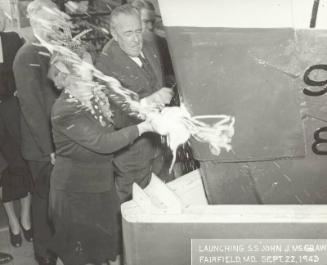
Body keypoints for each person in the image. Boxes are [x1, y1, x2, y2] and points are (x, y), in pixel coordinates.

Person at [47, 51, 157, 265]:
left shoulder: (91, 97)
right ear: (67, 77)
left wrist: (147, 106)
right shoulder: (64, 110)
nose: (92, 75)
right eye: (85, 71)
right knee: (76, 256)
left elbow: (120, 119)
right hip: (74, 194)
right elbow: (102, 143)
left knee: (110, 249)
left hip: (101, 187)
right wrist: (144, 127)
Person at [96, 4, 173, 202]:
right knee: (133, 208)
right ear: (114, 33)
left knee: (166, 200)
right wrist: (149, 101)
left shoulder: (149, 42)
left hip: (161, 147)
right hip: (132, 154)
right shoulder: (105, 65)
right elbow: (115, 115)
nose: (136, 39)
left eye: (138, 31)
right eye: (128, 33)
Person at [13, 0, 65, 264]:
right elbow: (33, 110)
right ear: (34, 24)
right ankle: (44, 256)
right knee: (43, 201)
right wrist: (50, 149)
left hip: (57, 141)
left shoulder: (51, 50)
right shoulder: (26, 56)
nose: (54, 27)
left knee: (55, 202)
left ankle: (55, 249)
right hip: (41, 147)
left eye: (55, 21)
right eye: (48, 22)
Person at [0, 8, 33, 248]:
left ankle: (26, 217)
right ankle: (12, 221)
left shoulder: (14, 39)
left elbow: (28, 70)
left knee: (24, 164)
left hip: (15, 113)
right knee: (4, 173)